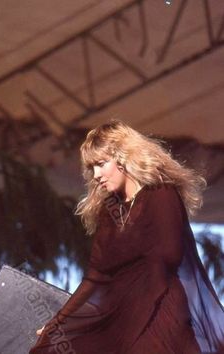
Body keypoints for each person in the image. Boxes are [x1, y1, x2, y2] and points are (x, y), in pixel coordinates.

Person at [30, 119, 224, 354]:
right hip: (123, 312)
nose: (97, 174)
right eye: (91, 168)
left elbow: (168, 255)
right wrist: (57, 323)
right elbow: (95, 277)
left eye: (101, 164)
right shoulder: (109, 211)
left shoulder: (161, 194)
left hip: (159, 310)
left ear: (123, 158)